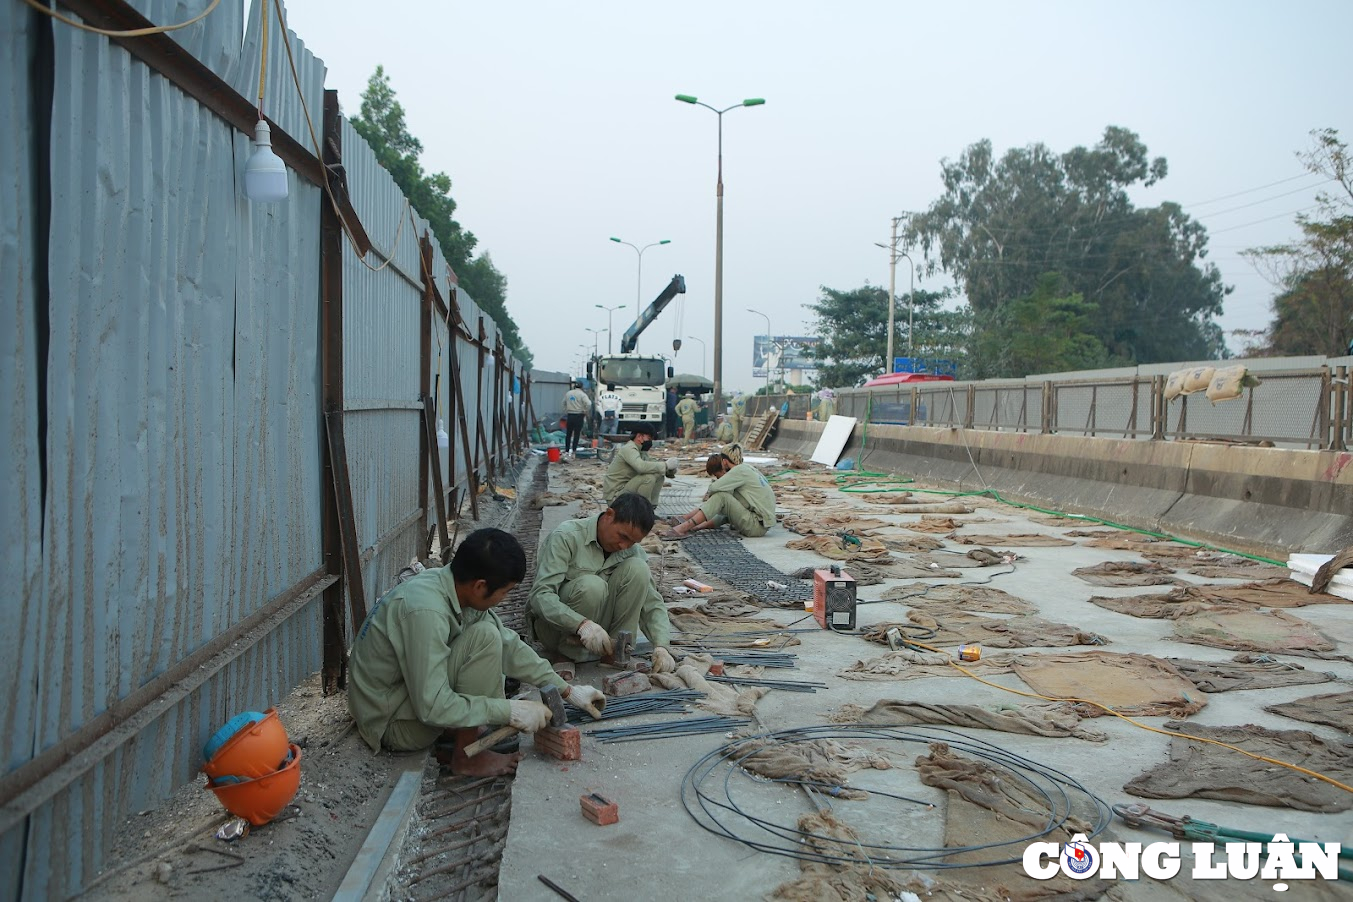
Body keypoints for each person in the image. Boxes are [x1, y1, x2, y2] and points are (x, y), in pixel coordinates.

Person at [347, 528, 606, 777]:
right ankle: (467, 758)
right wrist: (508, 711)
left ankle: (459, 730)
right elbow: (432, 707)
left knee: (488, 635)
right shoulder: (427, 612)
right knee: (484, 639)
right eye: (505, 592)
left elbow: (509, 646)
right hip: (390, 724)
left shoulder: (454, 586)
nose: (503, 599)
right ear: (480, 586)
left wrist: (567, 690)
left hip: (401, 697)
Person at [527, 493, 678, 673]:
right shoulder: (566, 536)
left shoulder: (632, 551)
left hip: (600, 631)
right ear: (609, 515)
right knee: (592, 586)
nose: (624, 546)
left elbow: (652, 602)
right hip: (556, 631)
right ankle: (566, 655)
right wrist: (581, 624)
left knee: (638, 569)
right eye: (622, 536)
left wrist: (661, 645)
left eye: (632, 542)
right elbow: (541, 596)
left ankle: (615, 652)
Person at [659, 444, 775, 539]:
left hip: (755, 526)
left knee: (721, 497)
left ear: (724, 462)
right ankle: (690, 524)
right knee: (724, 500)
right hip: (760, 525)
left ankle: (683, 528)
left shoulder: (739, 470)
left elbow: (713, 488)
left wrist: (713, 497)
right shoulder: (748, 468)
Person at [603, 424, 676, 505]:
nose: (650, 442)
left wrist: (669, 470)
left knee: (659, 474)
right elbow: (641, 467)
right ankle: (644, 509)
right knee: (648, 478)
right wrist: (665, 465)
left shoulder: (640, 451)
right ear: (639, 436)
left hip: (625, 491)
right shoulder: (629, 448)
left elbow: (652, 464)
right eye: (649, 438)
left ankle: (651, 507)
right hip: (616, 496)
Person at [562, 381, 592, 456]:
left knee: (568, 434)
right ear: (581, 387)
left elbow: (563, 403)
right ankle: (574, 451)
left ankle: (566, 450)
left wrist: (566, 410)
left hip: (570, 415)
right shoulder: (582, 394)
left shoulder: (568, 393)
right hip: (579, 415)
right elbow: (589, 403)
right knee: (576, 434)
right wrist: (585, 410)